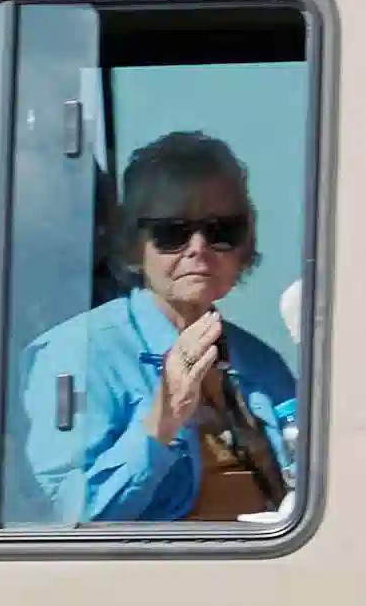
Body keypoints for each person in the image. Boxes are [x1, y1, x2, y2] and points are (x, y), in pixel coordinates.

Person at [19, 130, 303, 524]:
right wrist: (162, 421)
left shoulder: (263, 364)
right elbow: (72, 520)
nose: (199, 248)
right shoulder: (79, 353)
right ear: (135, 244)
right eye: (172, 232)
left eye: (222, 231)